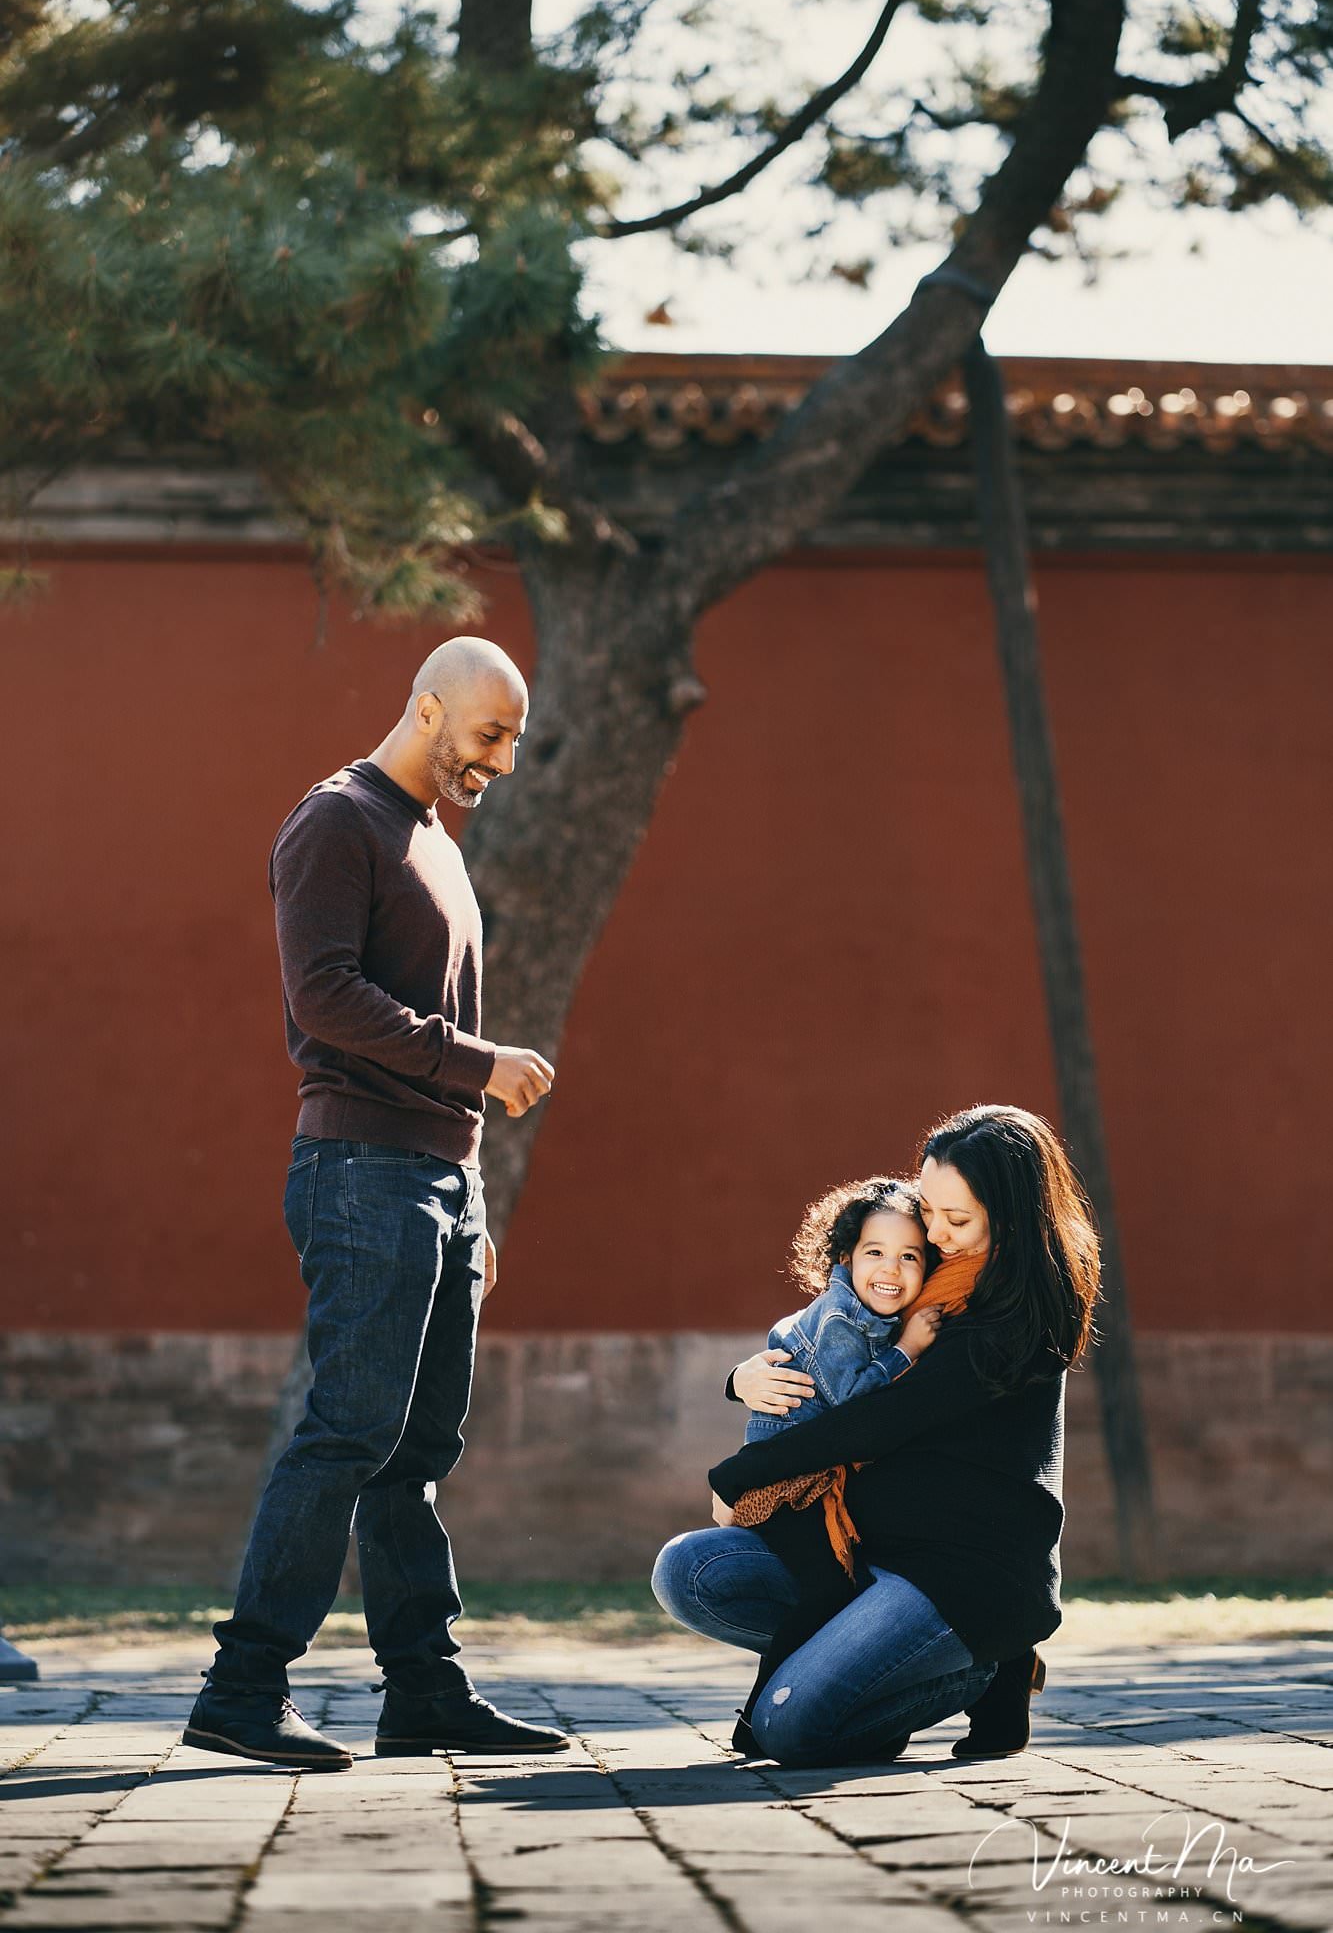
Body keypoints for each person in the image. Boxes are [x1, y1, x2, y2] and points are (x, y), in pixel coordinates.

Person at [184, 637, 568, 1769]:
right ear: (425, 707)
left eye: (512, 740)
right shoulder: (335, 821)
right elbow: (324, 999)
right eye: (487, 733)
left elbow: (441, 1060)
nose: (498, 758)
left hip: (437, 1182)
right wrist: (481, 1061)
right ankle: (241, 1688)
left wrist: (476, 1198)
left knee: (418, 1445)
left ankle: (422, 1689)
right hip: (359, 1172)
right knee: (350, 1429)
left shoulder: (438, 846)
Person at [652, 1103, 1100, 1768]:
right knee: (691, 1571)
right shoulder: (929, 1286)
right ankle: (871, 1678)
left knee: (789, 1733)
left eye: (957, 1221)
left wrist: (741, 1473)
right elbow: (833, 1362)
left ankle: (984, 1666)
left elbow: (886, 1416)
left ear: (1010, 1217)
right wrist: (742, 1378)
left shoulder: (1010, 1317)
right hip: (870, 1554)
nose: (937, 1236)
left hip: (960, 1577)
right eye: (930, 1214)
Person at [744, 1176, 942, 1446]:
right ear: (847, 1261)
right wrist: (907, 1349)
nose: (891, 1269)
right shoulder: (838, 1316)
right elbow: (854, 1407)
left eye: (908, 1256)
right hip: (786, 1464)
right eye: (875, 1253)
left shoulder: (879, 1312)